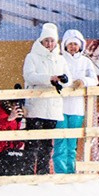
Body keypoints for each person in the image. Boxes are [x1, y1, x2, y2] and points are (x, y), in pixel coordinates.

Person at [21, 23, 67, 175]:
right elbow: (29, 76)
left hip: (52, 108)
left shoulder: (60, 59)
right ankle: (27, 173)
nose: (49, 44)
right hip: (36, 107)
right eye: (46, 40)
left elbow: (68, 79)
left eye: (52, 41)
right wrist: (49, 79)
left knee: (47, 145)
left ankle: (43, 173)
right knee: (32, 142)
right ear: (41, 41)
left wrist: (63, 81)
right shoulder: (32, 57)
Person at [56, 29, 98, 174]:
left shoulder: (86, 62)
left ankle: (70, 172)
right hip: (60, 107)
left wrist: (82, 81)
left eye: (75, 44)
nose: (73, 47)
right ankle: (60, 172)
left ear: (81, 45)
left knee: (72, 144)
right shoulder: (59, 60)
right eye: (70, 44)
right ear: (65, 46)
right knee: (60, 142)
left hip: (77, 108)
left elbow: (94, 80)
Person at [0, 93, 34, 176]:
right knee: (13, 158)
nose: (17, 107)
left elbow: (14, 141)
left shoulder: (16, 118)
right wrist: (8, 119)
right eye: (15, 104)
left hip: (6, 151)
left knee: (27, 157)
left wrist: (22, 138)